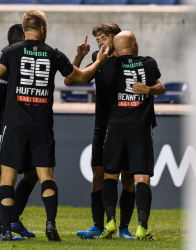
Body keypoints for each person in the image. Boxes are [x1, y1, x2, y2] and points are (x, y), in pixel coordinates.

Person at [0, 10, 109, 241]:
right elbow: (81, 77)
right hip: (41, 126)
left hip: (14, 125)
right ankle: (50, 225)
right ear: (43, 29)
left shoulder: (10, 51)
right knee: (47, 177)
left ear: (25, 28)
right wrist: (99, 61)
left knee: (7, 178)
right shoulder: (53, 54)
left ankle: (4, 231)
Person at [64, 23, 158, 239]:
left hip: (129, 124)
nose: (100, 43)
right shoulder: (100, 59)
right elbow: (70, 80)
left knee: (127, 177)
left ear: (117, 39)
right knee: (99, 175)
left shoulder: (134, 63)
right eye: (97, 40)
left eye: (104, 38)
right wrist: (79, 57)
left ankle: (124, 227)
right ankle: (100, 225)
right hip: (104, 125)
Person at [98, 31, 165, 240]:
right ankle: (142, 227)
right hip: (140, 127)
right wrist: (147, 90)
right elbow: (161, 88)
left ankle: (109, 221)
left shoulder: (108, 64)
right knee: (141, 178)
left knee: (110, 175)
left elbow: (92, 63)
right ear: (134, 45)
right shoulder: (148, 62)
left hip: (116, 126)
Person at [0, 24, 36, 241]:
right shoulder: (8, 61)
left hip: (24, 128)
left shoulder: (20, 61)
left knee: (33, 173)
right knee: (6, 180)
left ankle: (13, 219)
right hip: (8, 130)